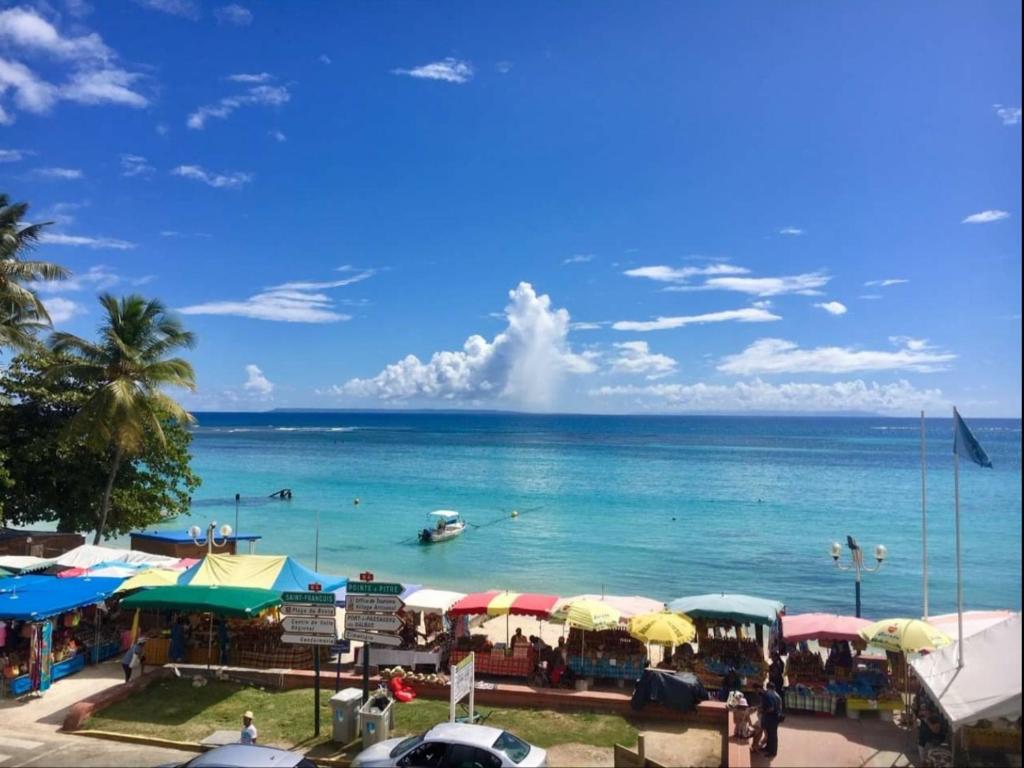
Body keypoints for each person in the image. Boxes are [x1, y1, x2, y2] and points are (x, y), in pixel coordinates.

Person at [758, 681, 783, 758]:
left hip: (770, 717)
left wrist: (763, 711)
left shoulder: (768, 694)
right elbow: (780, 707)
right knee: (771, 734)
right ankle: (768, 748)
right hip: (776, 717)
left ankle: (772, 752)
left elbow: (771, 708)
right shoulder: (778, 696)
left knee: (771, 735)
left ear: (768, 687)